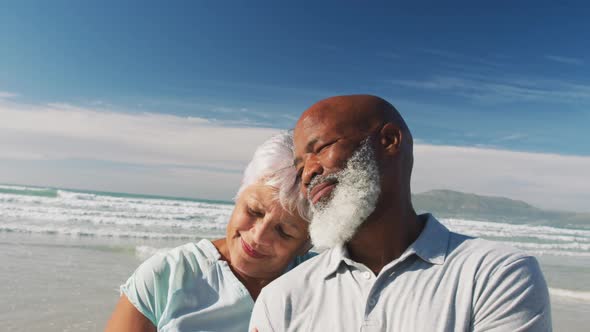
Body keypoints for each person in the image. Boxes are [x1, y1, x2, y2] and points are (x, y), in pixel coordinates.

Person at [250, 95, 552, 331]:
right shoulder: (283, 297)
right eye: (300, 166)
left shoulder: (495, 275)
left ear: (389, 141)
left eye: (322, 148)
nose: (307, 174)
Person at [105, 132, 312, 332]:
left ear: (307, 242)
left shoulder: (324, 283)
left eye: (284, 232)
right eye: (254, 211)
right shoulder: (165, 278)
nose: (258, 236)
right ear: (241, 191)